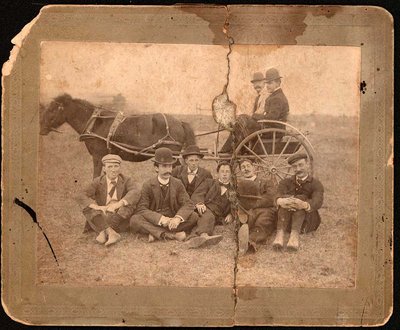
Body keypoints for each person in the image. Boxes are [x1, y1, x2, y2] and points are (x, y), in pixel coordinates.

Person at [130, 147, 218, 247]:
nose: (168, 170)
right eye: (164, 166)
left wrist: (177, 218)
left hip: (173, 218)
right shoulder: (148, 185)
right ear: (156, 168)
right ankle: (171, 235)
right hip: (156, 220)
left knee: (194, 216)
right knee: (135, 220)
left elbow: (188, 203)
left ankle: (155, 233)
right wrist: (162, 219)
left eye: (170, 167)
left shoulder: (177, 183)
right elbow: (141, 209)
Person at [220, 68, 289, 153]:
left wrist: (255, 116)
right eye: (267, 83)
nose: (267, 85)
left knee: (243, 120)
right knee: (241, 121)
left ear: (278, 83)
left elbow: (272, 118)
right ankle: (230, 150)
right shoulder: (274, 96)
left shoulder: (277, 98)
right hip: (269, 127)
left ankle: (229, 151)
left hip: (273, 130)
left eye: (270, 83)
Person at [81, 154, 138, 246]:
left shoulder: (126, 180)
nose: (113, 169)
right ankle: (111, 233)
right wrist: (97, 207)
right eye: (110, 166)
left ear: (120, 168)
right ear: (104, 169)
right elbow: (82, 195)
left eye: (116, 166)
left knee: (128, 204)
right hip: (104, 212)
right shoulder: (98, 181)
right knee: (87, 207)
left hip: (118, 214)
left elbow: (135, 192)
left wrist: (118, 204)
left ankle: (103, 231)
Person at [272, 153, 324, 251]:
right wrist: (281, 201)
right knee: (285, 201)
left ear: (307, 164)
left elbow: (318, 201)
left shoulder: (316, 184)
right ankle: (280, 235)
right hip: (286, 220)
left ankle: (294, 237)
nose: (298, 169)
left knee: (301, 199)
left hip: (307, 221)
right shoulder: (285, 182)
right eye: (295, 166)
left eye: (301, 165)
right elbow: (277, 194)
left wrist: (303, 204)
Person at [186, 161, 234, 248]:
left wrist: (231, 214)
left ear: (231, 174)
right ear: (218, 173)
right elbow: (197, 194)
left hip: (219, 216)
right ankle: (204, 235)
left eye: (227, 172)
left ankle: (193, 238)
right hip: (205, 209)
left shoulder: (233, 189)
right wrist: (199, 203)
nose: (224, 174)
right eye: (222, 171)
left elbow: (235, 204)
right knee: (209, 216)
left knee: (209, 219)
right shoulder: (209, 182)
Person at [236, 158, 277, 253]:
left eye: (248, 166)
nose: (246, 169)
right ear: (240, 171)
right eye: (243, 167)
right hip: (246, 211)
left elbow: (270, 198)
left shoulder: (266, 182)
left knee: (263, 221)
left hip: (264, 210)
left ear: (254, 168)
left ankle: (251, 241)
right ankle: (244, 232)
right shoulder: (238, 184)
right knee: (242, 220)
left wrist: (253, 204)